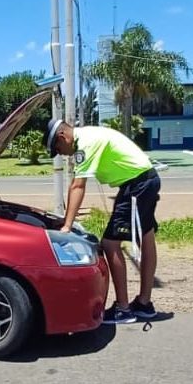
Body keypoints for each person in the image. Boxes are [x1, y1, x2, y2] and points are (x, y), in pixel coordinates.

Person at [46, 118, 162, 325]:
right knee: (147, 236)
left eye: (57, 147)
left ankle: (123, 309)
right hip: (145, 179)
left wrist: (66, 225)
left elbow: (78, 186)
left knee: (110, 243)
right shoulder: (89, 134)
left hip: (137, 185)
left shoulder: (85, 144)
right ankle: (144, 304)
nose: (61, 153)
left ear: (63, 137)